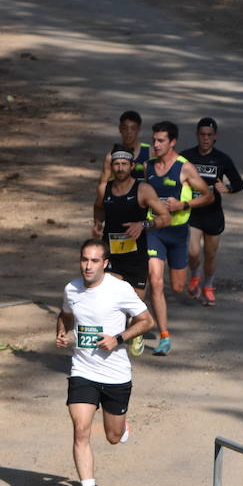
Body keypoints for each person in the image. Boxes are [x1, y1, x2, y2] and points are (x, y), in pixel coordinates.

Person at [55, 240, 153, 486]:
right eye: (84, 260)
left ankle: (121, 429)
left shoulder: (120, 290)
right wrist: (62, 333)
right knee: (81, 430)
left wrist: (118, 338)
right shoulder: (71, 289)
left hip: (116, 374)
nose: (88, 266)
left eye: (94, 261)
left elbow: (147, 321)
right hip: (83, 371)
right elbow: (65, 314)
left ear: (105, 263)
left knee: (111, 436)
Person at [91, 146, 170, 355]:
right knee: (110, 299)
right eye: (116, 164)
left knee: (134, 304)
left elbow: (165, 217)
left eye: (124, 164)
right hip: (112, 255)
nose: (120, 168)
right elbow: (98, 207)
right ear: (112, 166)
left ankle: (137, 331)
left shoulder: (143, 190)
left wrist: (144, 225)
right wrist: (98, 223)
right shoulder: (104, 189)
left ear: (131, 166)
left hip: (136, 257)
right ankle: (110, 343)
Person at [144, 120, 213, 355]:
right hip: (154, 231)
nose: (155, 144)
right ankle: (163, 335)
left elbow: (207, 196)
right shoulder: (148, 167)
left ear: (172, 142)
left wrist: (183, 204)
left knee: (177, 286)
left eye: (161, 140)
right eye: (154, 140)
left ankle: (196, 272)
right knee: (155, 280)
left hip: (177, 232)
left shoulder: (185, 168)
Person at [181, 117, 243, 307]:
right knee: (193, 252)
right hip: (192, 213)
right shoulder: (186, 157)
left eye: (209, 135)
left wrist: (228, 188)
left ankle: (208, 286)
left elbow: (239, 183)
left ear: (215, 136)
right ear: (197, 135)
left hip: (213, 215)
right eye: (202, 135)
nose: (205, 139)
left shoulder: (222, 159)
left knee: (210, 254)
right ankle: (195, 276)